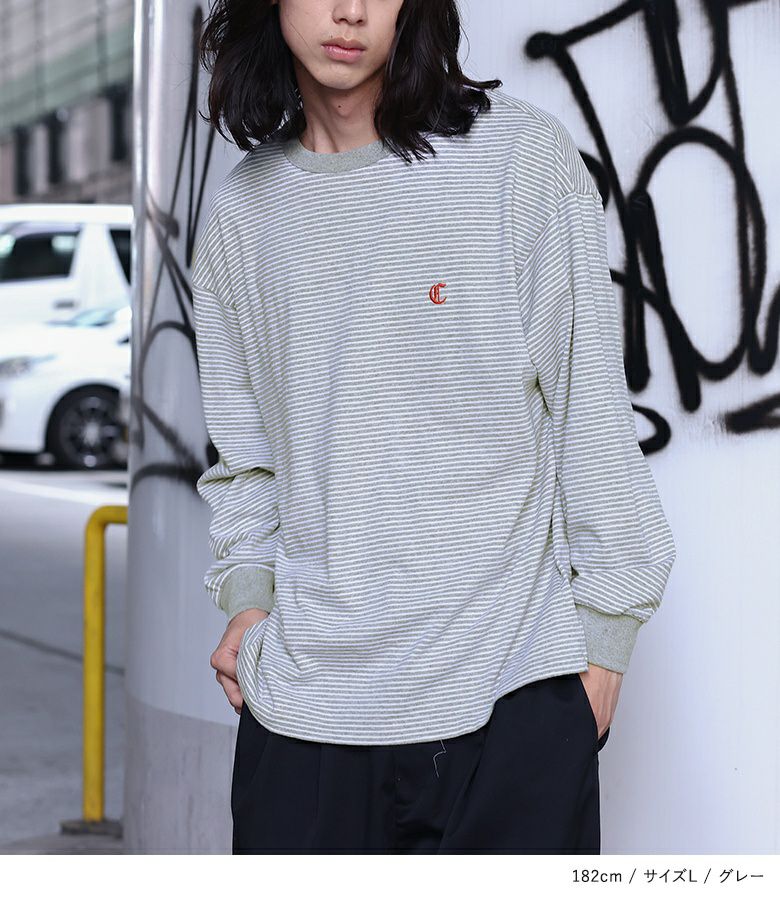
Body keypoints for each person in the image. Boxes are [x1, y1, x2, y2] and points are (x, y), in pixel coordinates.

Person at [191, 0, 676, 854]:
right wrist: (248, 600)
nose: (350, 11)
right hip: (305, 711)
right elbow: (247, 460)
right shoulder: (243, 213)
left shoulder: (519, 160)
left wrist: (603, 649)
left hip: (509, 701)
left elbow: (591, 416)